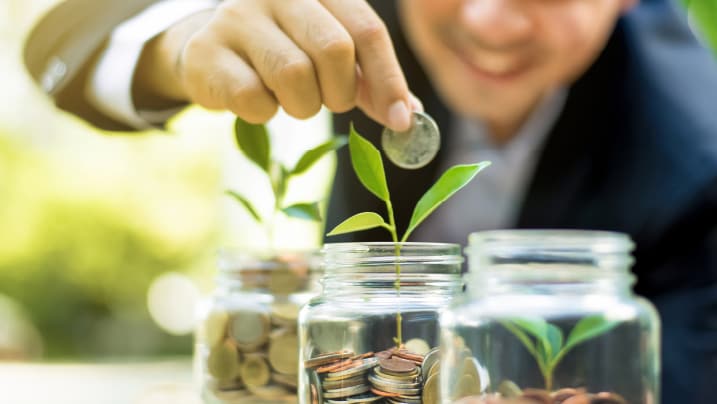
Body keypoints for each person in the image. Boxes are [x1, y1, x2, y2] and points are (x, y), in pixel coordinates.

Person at [23, 0, 717, 402]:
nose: (490, 20)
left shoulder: (695, 159)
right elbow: (63, 43)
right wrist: (179, 43)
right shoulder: (352, 16)